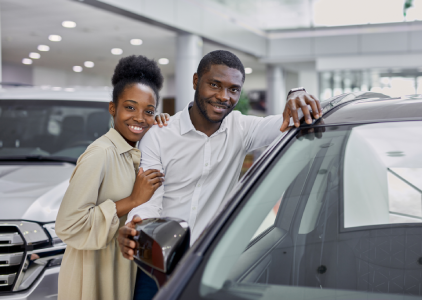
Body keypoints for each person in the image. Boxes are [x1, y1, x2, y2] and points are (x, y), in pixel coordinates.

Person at [118, 50, 322, 298]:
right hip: (159, 264)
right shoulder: (159, 134)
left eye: (233, 89)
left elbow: (297, 119)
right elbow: (150, 200)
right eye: (214, 85)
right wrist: (138, 226)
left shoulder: (242, 128)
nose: (223, 96)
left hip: (212, 266)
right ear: (196, 81)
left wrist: (297, 92)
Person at [55, 55, 170, 300]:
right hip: (93, 271)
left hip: (123, 267)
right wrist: (132, 200)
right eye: (130, 107)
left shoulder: (136, 151)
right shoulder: (101, 154)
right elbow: (67, 225)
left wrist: (161, 127)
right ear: (112, 108)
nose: (139, 117)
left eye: (148, 111)